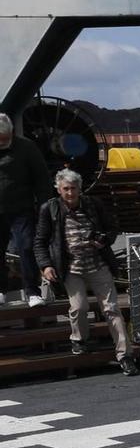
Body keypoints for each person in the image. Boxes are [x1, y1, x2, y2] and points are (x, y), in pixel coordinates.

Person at [34, 168, 136, 373]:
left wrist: (103, 240)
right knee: (79, 307)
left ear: (80, 189)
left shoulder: (93, 205)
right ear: (58, 189)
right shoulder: (50, 209)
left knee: (112, 309)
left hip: (98, 264)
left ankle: (125, 354)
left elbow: (111, 228)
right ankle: (79, 339)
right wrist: (46, 265)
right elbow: (40, 241)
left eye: (73, 189)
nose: (70, 193)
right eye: (66, 189)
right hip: (71, 268)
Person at [0, 111, 54, 305]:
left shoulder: (26, 147)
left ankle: (32, 291)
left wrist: (45, 207)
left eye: (5, 139)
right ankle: (0, 289)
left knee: (26, 246)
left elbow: (42, 179)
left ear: (12, 133)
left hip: (21, 209)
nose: (2, 143)